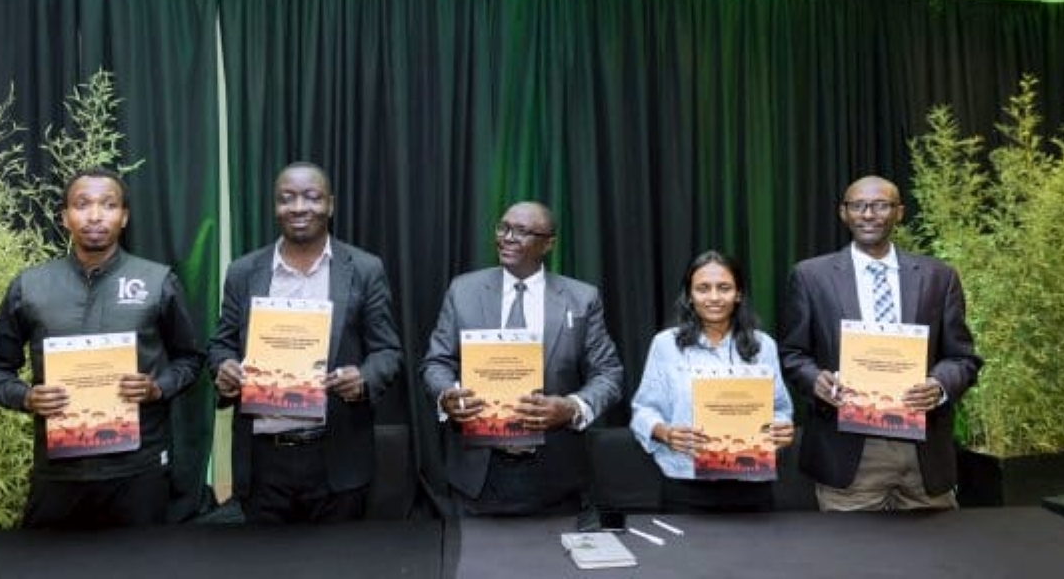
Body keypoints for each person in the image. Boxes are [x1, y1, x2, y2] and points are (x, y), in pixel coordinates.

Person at [0, 167, 205, 529]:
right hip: (59, 471)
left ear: (124, 216)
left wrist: (158, 386)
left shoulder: (157, 280)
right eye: (82, 205)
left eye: (108, 205)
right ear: (65, 217)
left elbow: (190, 360)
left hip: (139, 469)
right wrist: (26, 396)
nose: (95, 215)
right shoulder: (31, 285)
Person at [208, 161, 403, 523]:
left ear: (330, 204)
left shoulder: (363, 269)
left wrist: (362, 380)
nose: (299, 207)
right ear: (274, 207)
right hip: (262, 460)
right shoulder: (243, 271)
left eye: (311, 197)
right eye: (287, 198)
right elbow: (220, 345)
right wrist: (223, 368)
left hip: (337, 457)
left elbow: (388, 351)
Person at [780, 175, 983, 512]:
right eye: (858, 205)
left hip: (923, 452)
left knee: (937, 561)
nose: (869, 214)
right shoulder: (810, 276)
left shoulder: (939, 276)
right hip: (847, 451)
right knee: (852, 561)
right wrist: (815, 380)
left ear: (899, 212)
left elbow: (962, 358)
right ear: (843, 213)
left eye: (881, 205)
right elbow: (792, 353)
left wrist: (939, 384)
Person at [421, 201, 624, 516]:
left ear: (548, 243)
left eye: (522, 231)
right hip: (476, 474)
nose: (507, 237)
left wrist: (571, 408)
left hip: (555, 473)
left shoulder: (582, 298)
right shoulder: (463, 290)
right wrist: (447, 395)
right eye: (503, 227)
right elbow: (436, 363)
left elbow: (609, 374)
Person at [631, 250, 795, 512]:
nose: (715, 297)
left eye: (724, 288)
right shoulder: (666, 345)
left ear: (739, 294)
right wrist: (666, 433)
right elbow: (643, 410)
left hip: (751, 483)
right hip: (685, 483)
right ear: (689, 296)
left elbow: (781, 410)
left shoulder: (764, 346)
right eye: (703, 289)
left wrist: (782, 429)